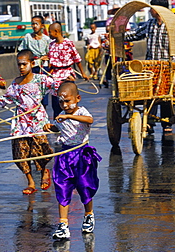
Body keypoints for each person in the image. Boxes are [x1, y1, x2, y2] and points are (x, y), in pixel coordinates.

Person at [0, 49, 61, 194]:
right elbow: (7, 98)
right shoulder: (16, 83)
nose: (21, 67)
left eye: (24, 64)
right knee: (19, 152)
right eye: (19, 65)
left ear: (32, 63)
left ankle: (44, 172)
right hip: (21, 122)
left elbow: (57, 88)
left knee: (39, 149)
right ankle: (30, 181)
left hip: (37, 120)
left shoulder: (41, 79)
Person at [43, 81, 101, 239]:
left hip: (81, 154)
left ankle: (89, 214)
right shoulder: (61, 116)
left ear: (78, 98)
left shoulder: (82, 112)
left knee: (85, 186)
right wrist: (51, 127)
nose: (64, 104)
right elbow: (59, 127)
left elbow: (89, 120)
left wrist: (69, 115)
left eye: (67, 101)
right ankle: (63, 224)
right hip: (64, 155)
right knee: (62, 187)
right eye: (61, 101)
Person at [125, 0, 173, 133]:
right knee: (150, 93)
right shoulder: (149, 24)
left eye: (151, 8)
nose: (149, 11)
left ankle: (166, 121)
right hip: (151, 65)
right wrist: (117, 35)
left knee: (165, 94)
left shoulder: (172, 24)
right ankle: (150, 121)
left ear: (158, 9)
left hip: (166, 66)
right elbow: (135, 34)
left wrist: (173, 63)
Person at [18, 15, 60, 116]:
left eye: (36, 24)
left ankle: (42, 117)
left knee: (43, 94)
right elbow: (21, 51)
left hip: (43, 68)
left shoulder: (47, 39)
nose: (34, 26)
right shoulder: (27, 37)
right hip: (32, 68)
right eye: (32, 24)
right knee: (31, 93)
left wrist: (47, 57)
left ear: (42, 26)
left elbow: (52, 53)